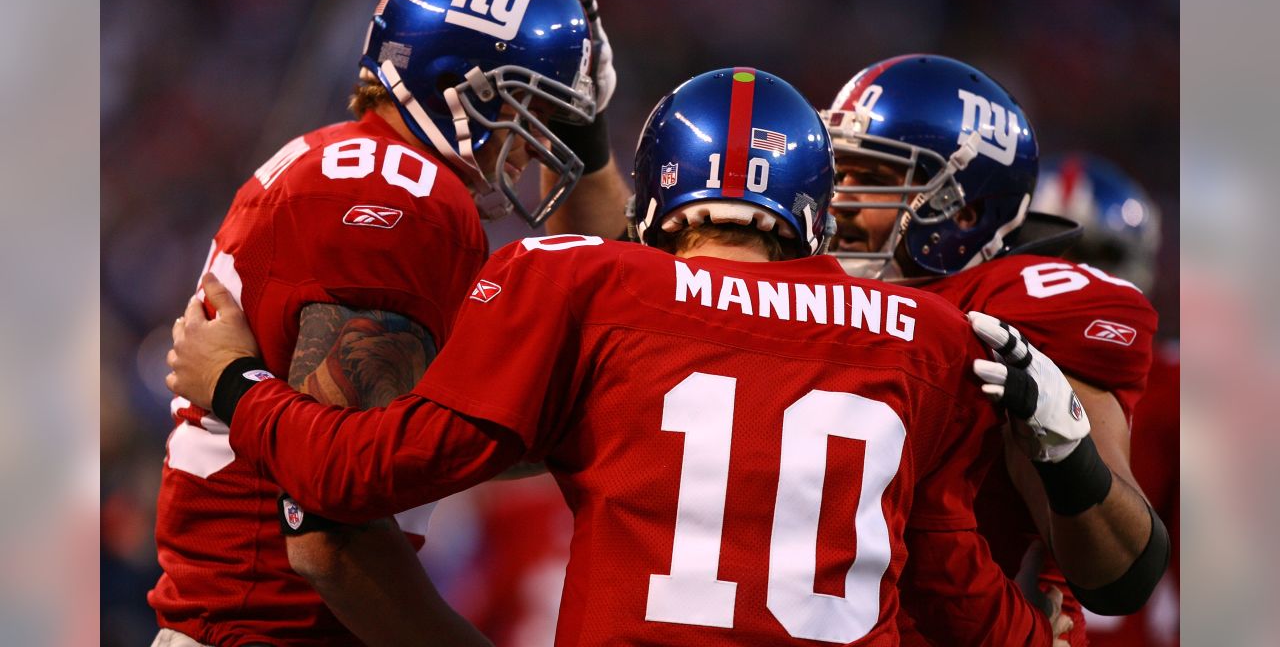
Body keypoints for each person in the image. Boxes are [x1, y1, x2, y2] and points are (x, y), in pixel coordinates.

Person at [166, 67, 1072, 646]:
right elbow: (957, 588)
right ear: (815, 213)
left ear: (656, 204)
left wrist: (237, 386)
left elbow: (356, 477)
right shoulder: (922, 333)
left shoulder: (584, 284)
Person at [148, 0, 629, 647]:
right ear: (463, 87)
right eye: (535, 106)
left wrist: (592, 135)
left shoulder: (384, 179)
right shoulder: (394, 200)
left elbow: (604, 297)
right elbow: (330, 538)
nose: (543, 140)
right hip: (271, 630)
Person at [822, 55, 1171, 645]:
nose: (837, 201)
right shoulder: (789, 283)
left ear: (962, 213)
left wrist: (1067, 455)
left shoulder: (1013, 317)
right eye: (837, 173)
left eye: (872, 175)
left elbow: (1122, 574)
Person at [1032, 154, 1179, 646]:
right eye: (1057, 256)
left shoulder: (1182, 387)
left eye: (1098, 257)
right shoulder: (955, 359)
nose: (1076, 279)